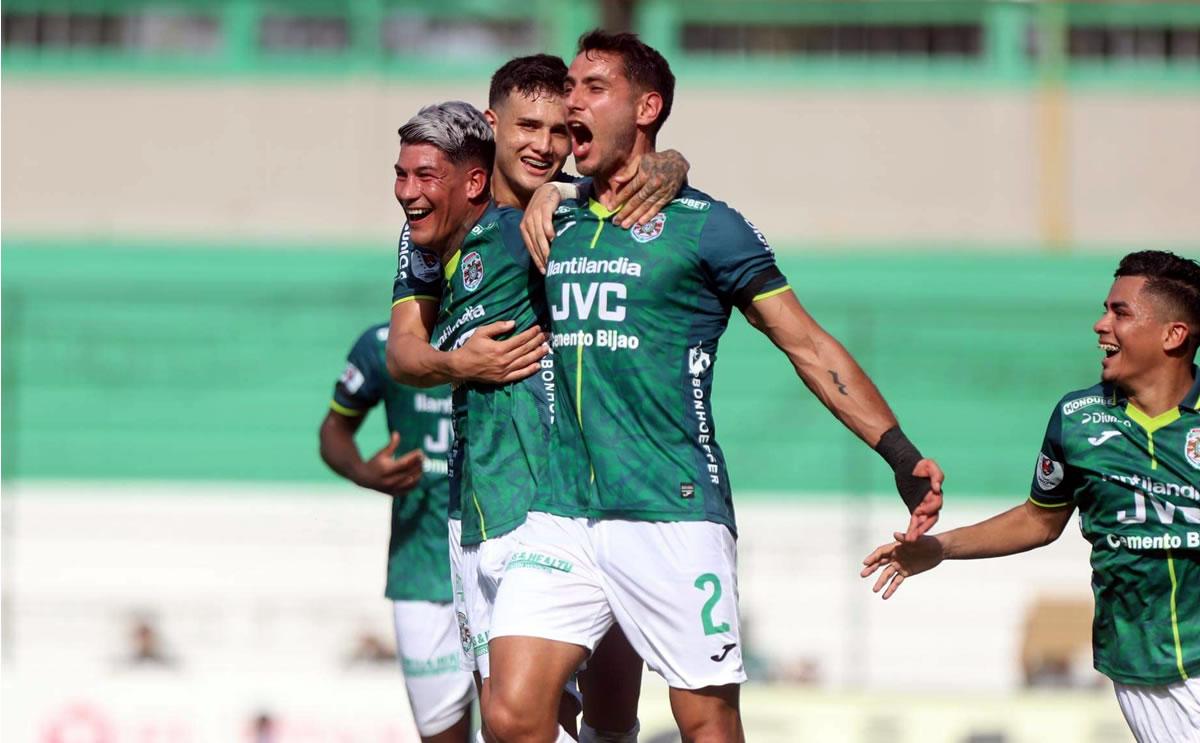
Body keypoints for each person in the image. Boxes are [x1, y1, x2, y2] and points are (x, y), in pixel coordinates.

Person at [485, 30, 944, 743]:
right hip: (562, 509)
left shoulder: (708, 227)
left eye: (593, 88)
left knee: (706, 722)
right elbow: (489, 171)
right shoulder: (558, 211)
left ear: (647, 107)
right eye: (570, 88)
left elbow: (809, 344)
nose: (572, 100)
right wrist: (549, 187)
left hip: (672, 511)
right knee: (512, 714)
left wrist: (899, 452)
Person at [386, 76, 686, 740]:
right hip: (478, 498)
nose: (546, 146)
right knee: (508, 716)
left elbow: (649, 186)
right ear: (494, 126)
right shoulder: (438, 231)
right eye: (529, 127)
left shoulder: (575, 218)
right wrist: (461, 363)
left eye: (563, 132)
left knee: (588, 715)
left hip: (570, 499)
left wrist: (667, 163)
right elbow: (403, 354)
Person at [862, 251, 1200, 743]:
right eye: (1106, 309)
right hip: (1136, 669)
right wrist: (938, 548)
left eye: (1120, 313)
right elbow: (1039, 520)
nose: (1100, 324)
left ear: (1173, 335)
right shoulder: (1078, 418)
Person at [319, 322, 473, 743]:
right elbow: (334, 430)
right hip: (420, 569)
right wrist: (362, 471)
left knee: (512, 721)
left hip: (504, 556)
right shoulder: (382, 346)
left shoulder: (507, 322)